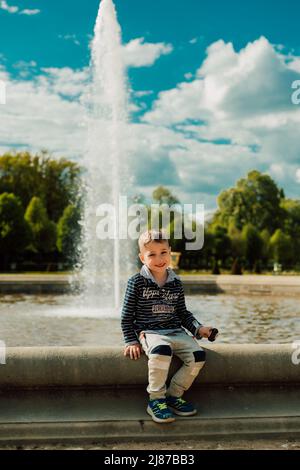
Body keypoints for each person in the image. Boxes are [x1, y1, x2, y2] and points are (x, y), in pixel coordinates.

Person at [121, 229, 216, 423]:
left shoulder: (176, 282)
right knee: (162, 351)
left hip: (175, 331)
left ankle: (173, 396)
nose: (159, 258)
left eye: (163, 252)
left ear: (170, 251)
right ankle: (156, 400)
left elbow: (182, 313)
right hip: (151, 332)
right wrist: (131, 340)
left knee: (198, 355)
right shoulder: (136, 282)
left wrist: (199, 329)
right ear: (142, 257)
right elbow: (126, 316)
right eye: (152, 254)